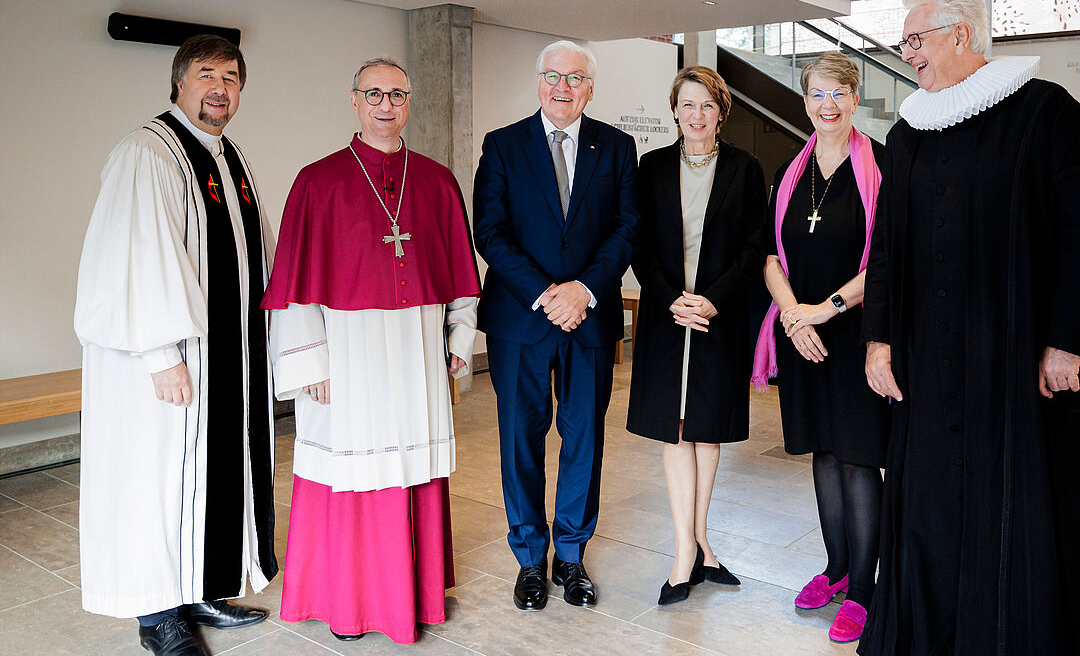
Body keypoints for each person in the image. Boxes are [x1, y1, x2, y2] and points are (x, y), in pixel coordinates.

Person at [859, 0, 1080, 653]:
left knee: (1013, 511)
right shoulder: (908, 129)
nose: (906, 53)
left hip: (1014, 364)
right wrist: (878, 337)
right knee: (931, 511)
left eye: (915, 39)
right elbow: (884, 245)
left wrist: (1066, 341)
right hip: (927, 364)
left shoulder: (1045, 112)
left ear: (961, 37)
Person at [261, 58, 480, 643]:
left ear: (410, 103)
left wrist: (459, 338)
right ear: (353, 100)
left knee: (412, 467)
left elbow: (459, 274)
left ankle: (415, 595)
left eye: (397, 94)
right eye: (374, 93)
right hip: (347, 358)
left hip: (416, 353)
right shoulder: (318, 181)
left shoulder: (435, 180)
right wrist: (311, 362)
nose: (386, 104)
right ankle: (353, 602)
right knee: (351, 472)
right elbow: (297, 284)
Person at [74, 34, 276, 656]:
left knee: (207, 476)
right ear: (179, 81)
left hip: (225, 359)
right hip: (169, 362)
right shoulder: (148, 153)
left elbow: (253, 255)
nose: (221, 88)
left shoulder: (228, 156)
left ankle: (198, 586)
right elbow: (135, 259)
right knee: (158, 479)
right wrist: (162, 354)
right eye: (207, 74)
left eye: (232, 77)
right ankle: (158, 614)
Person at [473, 40, 638, 611]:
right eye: (552, 77)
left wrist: (583, 291)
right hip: (522, 320)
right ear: (538, 82)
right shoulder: (502, 145)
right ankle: (529, 560)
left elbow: (627, 228)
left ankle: (571, 555)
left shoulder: (617, 147)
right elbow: (489, 232)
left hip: (589, 319)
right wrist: (548, 294)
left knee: (584, 441)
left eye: (574, 79)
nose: (562, 88)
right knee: (520, 441)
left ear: (590, 88)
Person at [751, 51, 888, 643]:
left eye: (838, 93)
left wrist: (822, 310)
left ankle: (863, 589)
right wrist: (791, 313)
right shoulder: (789, 169)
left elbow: (886, 261)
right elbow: (768, 256)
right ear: (804, 101)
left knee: (858, 458)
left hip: (855, 337)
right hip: (801, 337)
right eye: (816, 94)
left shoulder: (881, 167)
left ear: (855, 98)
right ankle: (836, 568)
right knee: (823, 456)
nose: (827, 105)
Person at [626, 66, 766, 605]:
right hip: (668, 315)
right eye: (687, 104)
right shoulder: (652, 167)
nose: (697, 115)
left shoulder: (746, 169)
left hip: (717, 315)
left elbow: (755, 247)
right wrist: (669, 298)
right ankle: (687, 552)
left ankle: (698, 543)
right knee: (674, 431)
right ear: (675, 110)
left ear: (721, 112)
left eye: (707, 105)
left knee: (706, 431)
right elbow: (639, 246)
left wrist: (713, 298)